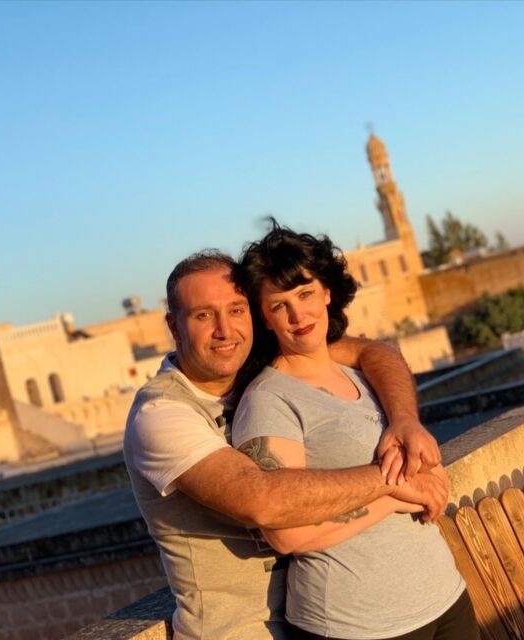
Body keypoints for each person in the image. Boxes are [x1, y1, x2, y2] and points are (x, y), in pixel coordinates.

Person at [124, 248, 450, 640]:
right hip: (241, 631)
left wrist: (404, 420)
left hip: (307, 613)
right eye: (203, 315)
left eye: (236, 310)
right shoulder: (160, 414)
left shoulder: (259, 364)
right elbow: (262, 499)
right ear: (174, 326)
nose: (225, 330)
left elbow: (374, 351)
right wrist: (395, 480)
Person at [231, 221, 479, 640]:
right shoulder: (267, 402)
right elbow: (287, 533)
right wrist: (397, 493)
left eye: (305, 294)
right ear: (265, 319)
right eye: (279, 306)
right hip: (357, 623)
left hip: (442, 596)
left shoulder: (360, 375)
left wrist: (409, 474)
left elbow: (426, 471)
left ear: (327, 292)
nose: (298, 315)